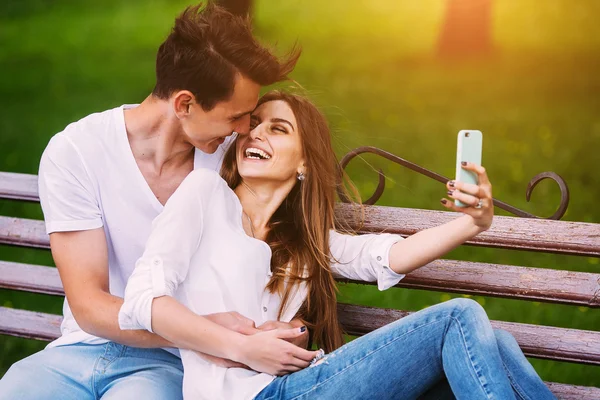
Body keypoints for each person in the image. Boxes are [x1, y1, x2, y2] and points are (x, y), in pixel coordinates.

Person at [118, 91, 557, 400]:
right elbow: (142, 299)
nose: (256, 136)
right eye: (253, 127)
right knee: (459, 316)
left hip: (310, 383)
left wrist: (472, 222)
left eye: (278, 129)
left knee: (496, 344)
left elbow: (387, 256)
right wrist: (240, 346)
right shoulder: (203, 194)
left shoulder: (305, 243)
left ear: (305, 160)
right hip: (260, 395)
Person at [0, 4, 303, 399]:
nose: (246, 131)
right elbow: (90, 305)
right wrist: (214, 332)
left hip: (176, 361)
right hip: (78, 351)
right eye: (236, 118)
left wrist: (280, 328)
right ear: (184, 105)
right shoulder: (77, 151)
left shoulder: (235, 162)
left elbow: (289, 244)